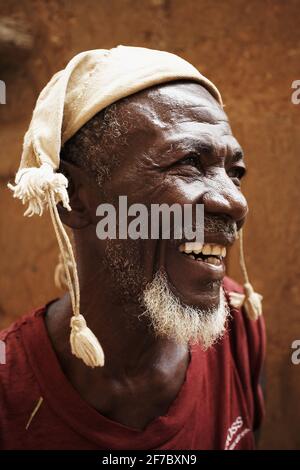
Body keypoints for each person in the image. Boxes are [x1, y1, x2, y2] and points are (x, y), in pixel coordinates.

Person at [0, 46, 265, 450]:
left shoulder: (239, 323)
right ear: (74, 198)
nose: (235, 203)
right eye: (189, 162)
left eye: (235, 173)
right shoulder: (9, 391)